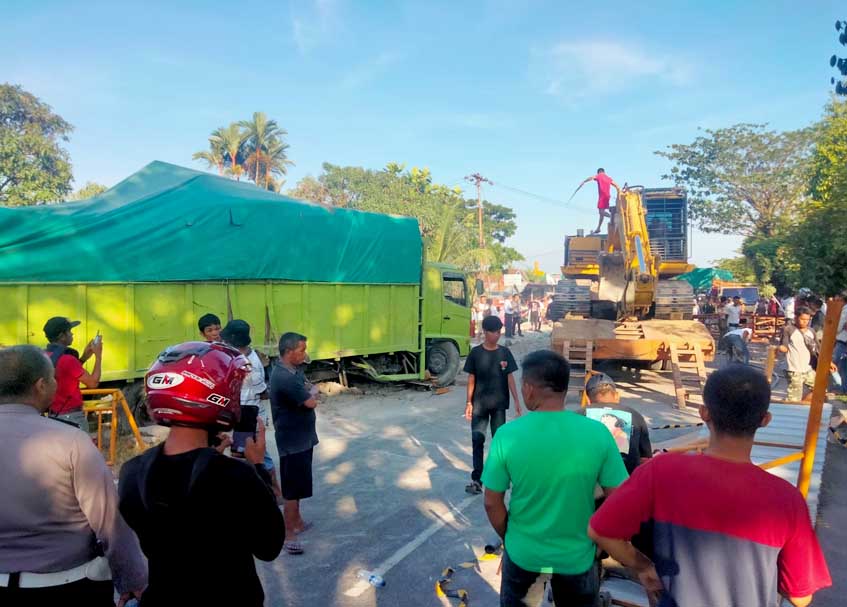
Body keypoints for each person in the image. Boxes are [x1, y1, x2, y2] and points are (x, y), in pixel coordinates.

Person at [589, 365, 832, 607]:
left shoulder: (661, 471)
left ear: (704, 413)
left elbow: (600, 531)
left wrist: (644, 567)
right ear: (765, 420)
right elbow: (801, 597)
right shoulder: (786, 499)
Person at [119, 341, 284, 606]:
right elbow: (269, 547)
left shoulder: (132, 472)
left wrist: (209, 455)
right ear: (216, 397)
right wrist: (258, 468)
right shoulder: (234, 476)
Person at [0, 345, 146, 605]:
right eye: (53, 378)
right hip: (66, 583)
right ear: (41, 385)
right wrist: (132, 579)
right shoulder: (70, 441)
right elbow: (109, 522)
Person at [482, 350, 628, 606]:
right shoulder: (597, 433)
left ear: (528, 389)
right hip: (578, 556)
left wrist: (510, 539)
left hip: (524, 554)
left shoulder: (507, 435)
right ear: (564, 388)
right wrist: (602, 543)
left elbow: (491, 502)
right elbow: (621, 500)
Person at [221, 320, 283, 501]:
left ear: (233, 340)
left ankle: (275, 491)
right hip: (243, 411)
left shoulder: (250, 364)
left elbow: (262, 393)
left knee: (257, 453)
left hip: (250, 413)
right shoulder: (239, 357)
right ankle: (265, 490)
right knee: (244, 452)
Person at [271, 332, 320, 555]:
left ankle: (297, 521)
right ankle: (287, 532)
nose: (305, 354)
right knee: (291, 489)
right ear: (289, 352)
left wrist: (311, 391)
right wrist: (313, 393)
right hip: (292, 441)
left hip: (302, 438)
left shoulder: (294, 370)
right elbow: (311, 401)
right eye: (302, 350)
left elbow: (309, 388)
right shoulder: (285, 377)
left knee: (299, 485)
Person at [463, 315, 522, 495]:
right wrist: (468, 402)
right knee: (477, 440)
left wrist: (517, 401)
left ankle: (499, 477)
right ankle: (477, 480)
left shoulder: (505, 353)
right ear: (485, 332)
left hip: (499, 405)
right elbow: (471, 378)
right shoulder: (476, 353)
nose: (497, 335)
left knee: (499, 441)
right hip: (479, 404)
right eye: (494, 332)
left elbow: (510, 377)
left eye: (499, 331)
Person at [581, 373, 652, 474]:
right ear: (617, 396)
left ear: (588, 400)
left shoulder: (578, 416)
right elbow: (645, 459)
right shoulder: (635, 416)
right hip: (627, 480)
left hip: (589, 478)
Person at [43, 316, 102, 429]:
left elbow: (66, 373)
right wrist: (98, 356)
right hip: (72, 417)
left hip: (54, 416)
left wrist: (84, 357)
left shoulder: (45, 356)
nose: (72, 334)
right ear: (62, 336)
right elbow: (93, 383)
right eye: (69, 331)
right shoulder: (68, 360)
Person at [779, 307, 831, 402]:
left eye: (807, 320)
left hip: (808, 369)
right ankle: (795, 408)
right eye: (802, 319)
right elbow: (784, 346)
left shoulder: (811, 331)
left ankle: (803, 404)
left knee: (821, 390)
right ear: (795, 318)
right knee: (794, 399)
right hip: (794, 369)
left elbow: (818, 349)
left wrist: (829, 362)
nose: (805, 322)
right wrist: (780, 348)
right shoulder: (788, 329)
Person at [580, 168, 621, 234]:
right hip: (607, 196)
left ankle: (613, 217)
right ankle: (598, 228)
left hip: (602, 196)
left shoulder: (599, 175)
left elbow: (591, 178)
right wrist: (619, 192)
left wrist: (584, 182)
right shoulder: (608, 178)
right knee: (601, 213)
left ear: (599, 172)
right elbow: (616, 185)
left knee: (601, 212)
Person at [834, 292, 847, 394]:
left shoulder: (845, 309)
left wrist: (834, 333)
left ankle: (842, 389)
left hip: (843, 341)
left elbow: (839, 325)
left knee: (838, 365)